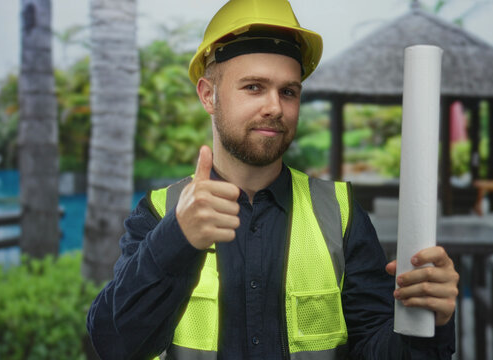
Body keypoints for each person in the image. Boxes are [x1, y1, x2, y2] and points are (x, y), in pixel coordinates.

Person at [87, 0, 459, 359]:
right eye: (253, 87)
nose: (274, 107)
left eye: (288, 92)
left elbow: (377, 352)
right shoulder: (159, 213)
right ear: (208, 95)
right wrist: (177, 238)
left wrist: (432, 319)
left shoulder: (341, 215)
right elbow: (114, 344)